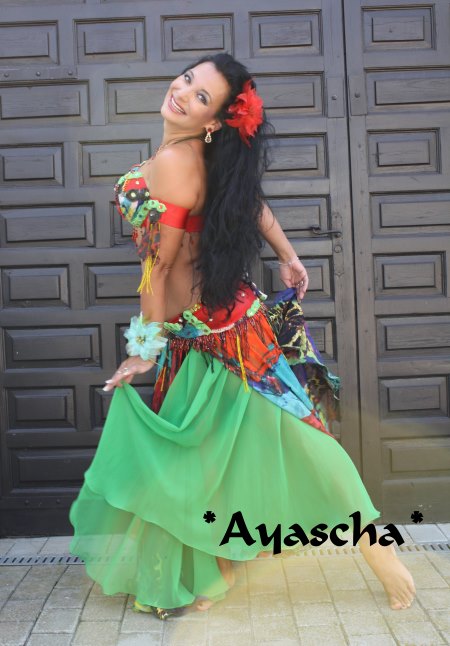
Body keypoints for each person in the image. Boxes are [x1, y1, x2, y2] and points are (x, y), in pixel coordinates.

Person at [69, 53, 415, 619]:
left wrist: (143, 349)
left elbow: (160, 264)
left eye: (201, 96)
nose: (183, 92)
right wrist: (288, 255)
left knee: (298, 441)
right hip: (209, 330)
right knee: (214, 458)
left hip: (219, 336)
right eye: (187, 79)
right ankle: (222, 567)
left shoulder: (175, 161)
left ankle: (378, 551)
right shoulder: (194, 155)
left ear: (212, 121)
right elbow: (247, 204)